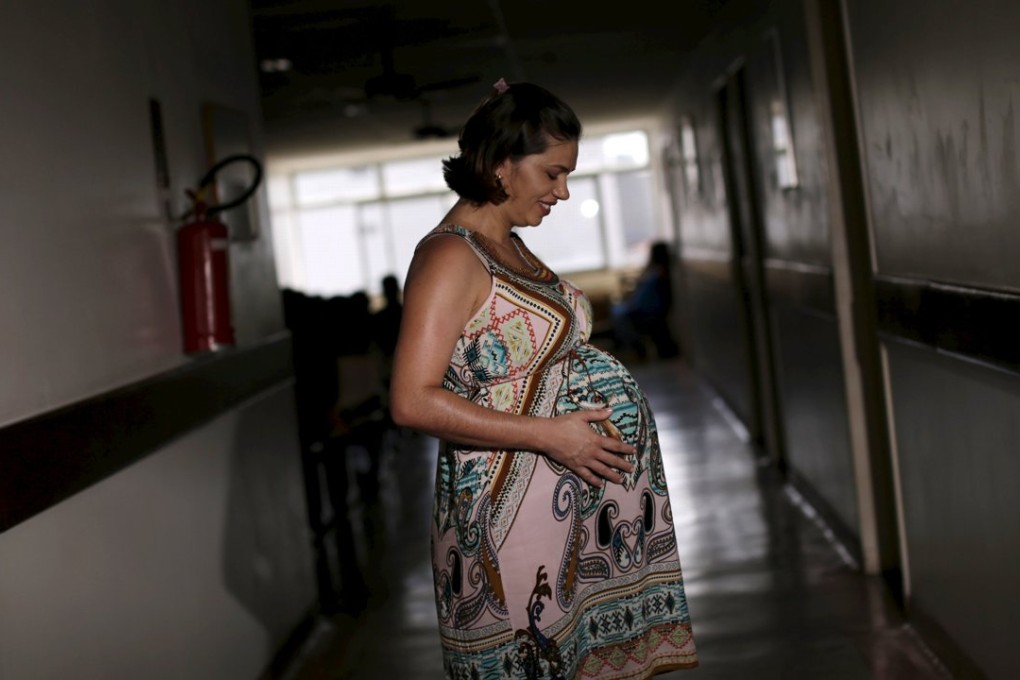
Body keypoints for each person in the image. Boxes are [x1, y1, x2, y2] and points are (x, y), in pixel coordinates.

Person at [389, 79, 697, 679]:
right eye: (553, 174)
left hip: (566, 511)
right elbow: (411, 400)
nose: (563, 191)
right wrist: (551, 435)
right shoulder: (450, 257)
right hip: (511, 518)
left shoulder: (510, 246)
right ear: (502, 166)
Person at [611, 241, 680, 360]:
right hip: (643, 307)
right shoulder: (654, 272)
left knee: (620, 316)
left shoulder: (659, 273)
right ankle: (631, 346)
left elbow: (648, 297)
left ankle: (635, 347)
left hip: (648, 310)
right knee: (616, 311)